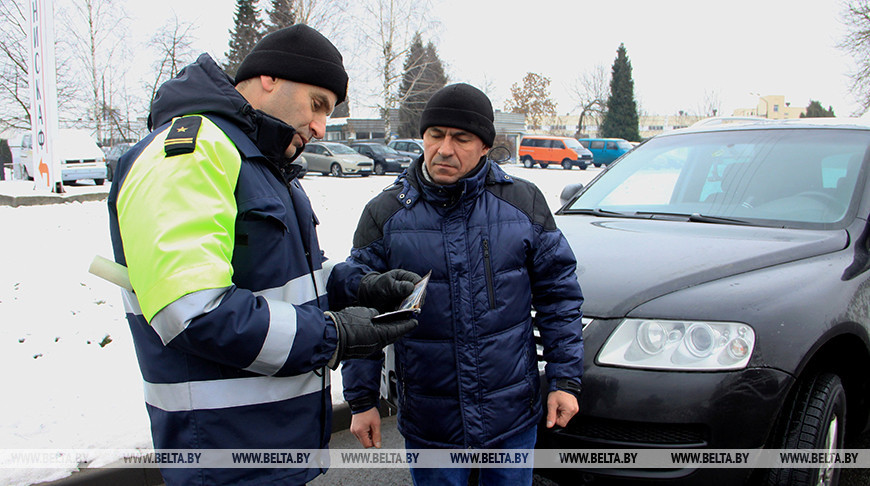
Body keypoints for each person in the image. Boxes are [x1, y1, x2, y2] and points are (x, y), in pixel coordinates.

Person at [107, 25, 417, 486]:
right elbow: (192, 310)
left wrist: (357, 284)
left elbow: (288, 276)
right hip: (224, 455)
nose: (319, 127)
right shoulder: (191, 152)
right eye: (317, 105)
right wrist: (333, 336)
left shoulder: (257, 162)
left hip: (268, 448)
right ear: (269, 78)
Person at [328, 83, 585, 485]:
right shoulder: (386, 213)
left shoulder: (523, 204)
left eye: (461, 138)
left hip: (511, 414)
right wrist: (362, 400)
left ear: (485, 146)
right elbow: (362, 311)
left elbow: (559, 298)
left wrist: (565, 380)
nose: (445, 149)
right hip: (432, 420)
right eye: (435, 135)